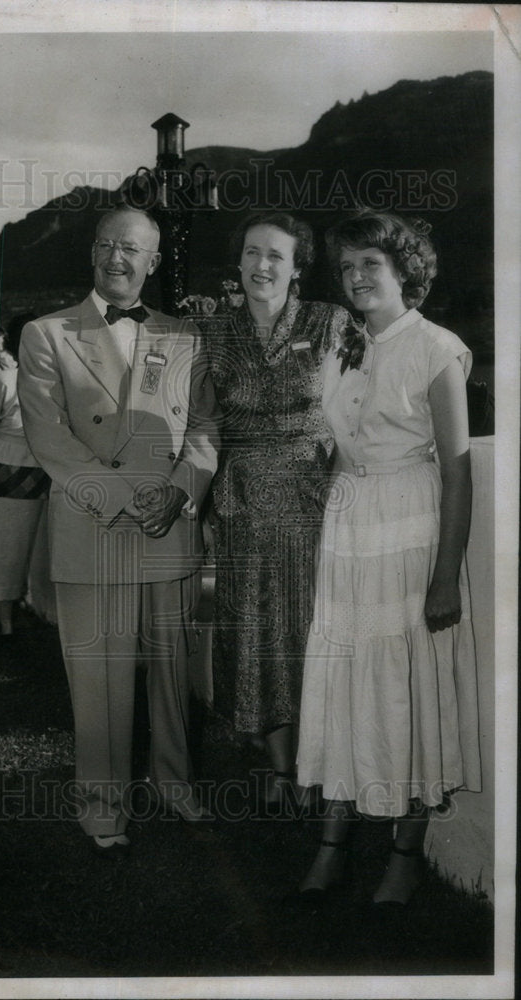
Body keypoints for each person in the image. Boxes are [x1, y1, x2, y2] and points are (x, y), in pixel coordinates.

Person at [17, 204, 220, 853]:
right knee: (99, 679)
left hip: (171, 526)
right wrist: (131, 500)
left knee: (172, 671)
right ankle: (103, 806)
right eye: (105, 244)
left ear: (153, 261)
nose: (116, 257)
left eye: (131, 248)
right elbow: (51, 440)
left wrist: (183, 491)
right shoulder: (46, 334)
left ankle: (175, 782)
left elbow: (206, 430)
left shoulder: (185, 334)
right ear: (92, 253)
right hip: (93, 524)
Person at [295, 210, 481, 908]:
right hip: (348, 528)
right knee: (344, 681)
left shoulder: (436, 350)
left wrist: (443, 578)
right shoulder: (343, 346)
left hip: (410, 528)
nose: (355, 277)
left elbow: (458, 472)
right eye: (345, 267)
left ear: (405, 270)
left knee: (408, 683)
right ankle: (332, 852)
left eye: (370, 263)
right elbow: (336, 442)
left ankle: (403, 858)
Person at [205, 212, 353, 811]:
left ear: (297, 269)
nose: (261, 265)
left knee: (309, 629)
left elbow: (359, 411)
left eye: (275, 256)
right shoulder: (211, 330)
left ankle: (324, 764)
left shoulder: (329, 322)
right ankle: (279, 768)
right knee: (255, 631)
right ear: (239, 261)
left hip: (312, 499)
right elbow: (194, 421)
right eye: (251, 253)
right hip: (241, 503)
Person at [0, 313, 50, 638]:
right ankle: (1, 617)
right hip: (34, 473)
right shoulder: (55, 383)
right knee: (19, 550)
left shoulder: (0, 381)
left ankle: (2, 622)